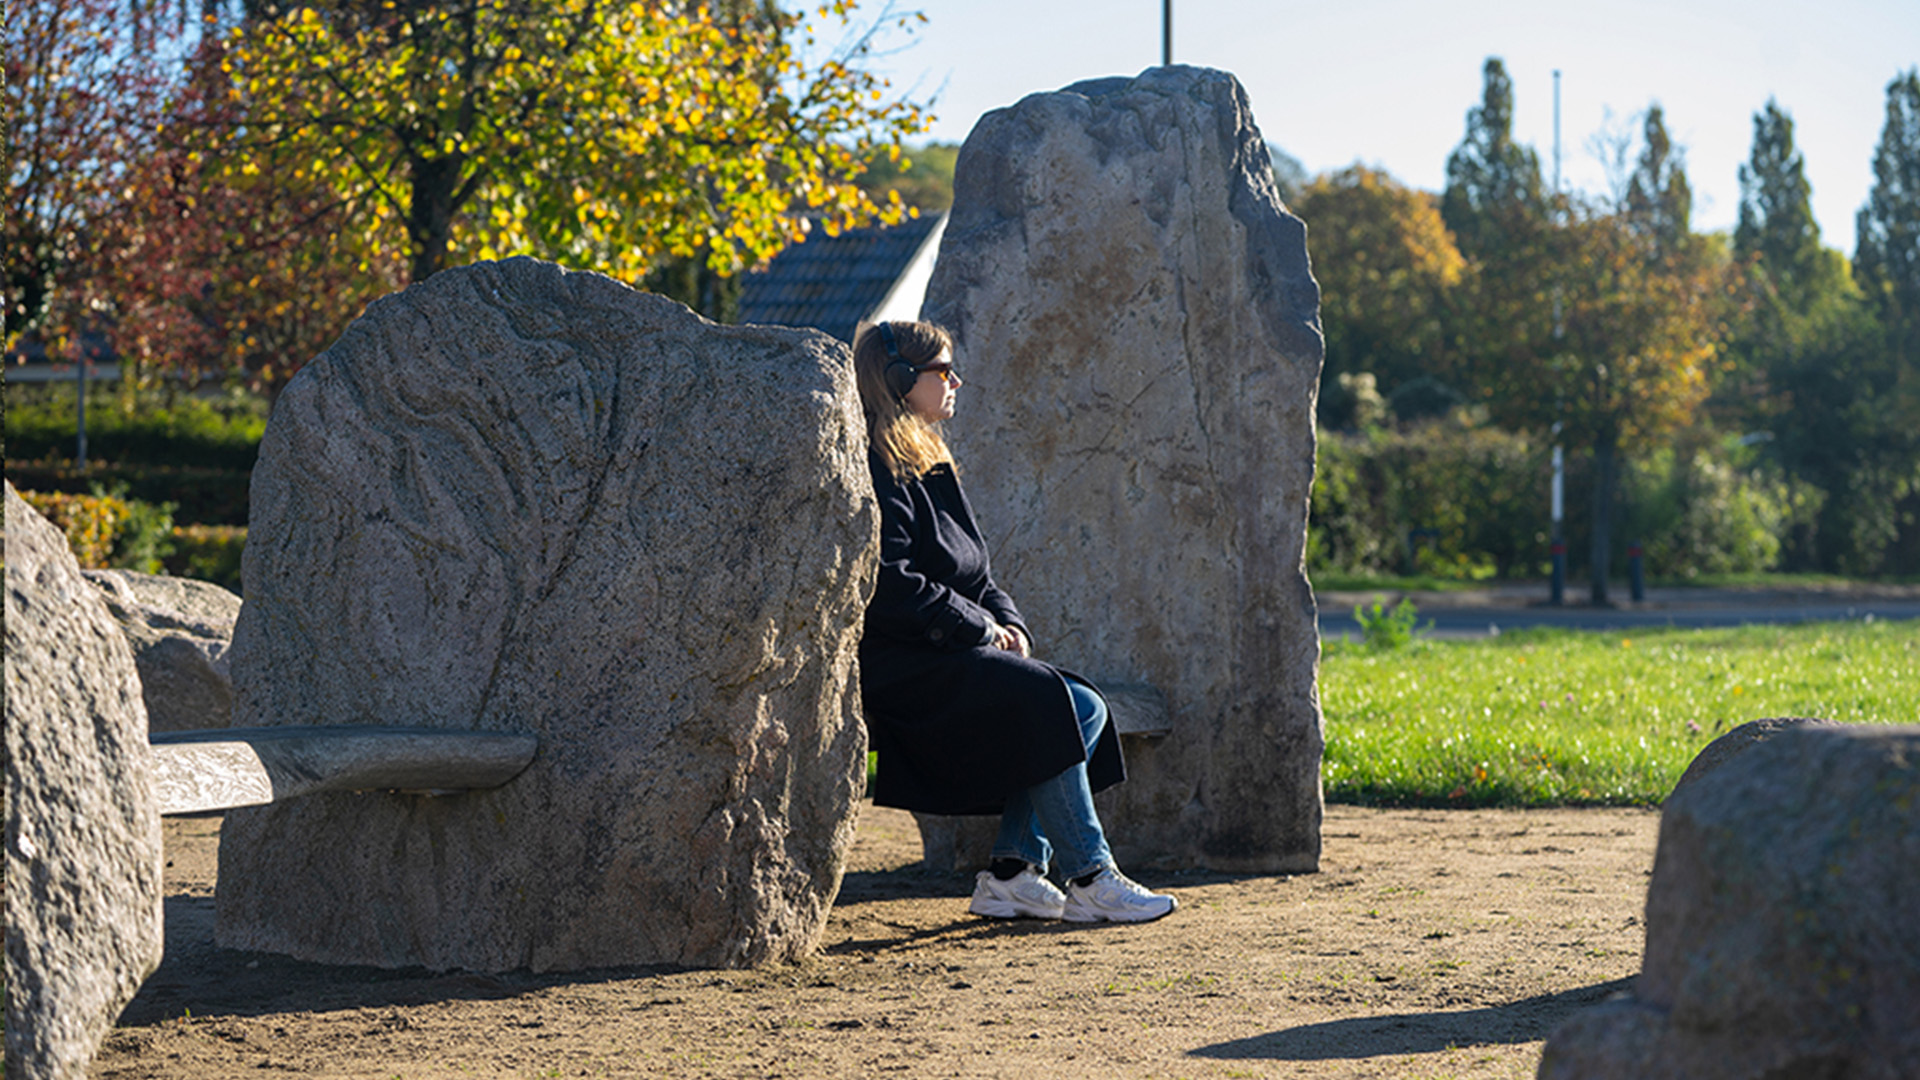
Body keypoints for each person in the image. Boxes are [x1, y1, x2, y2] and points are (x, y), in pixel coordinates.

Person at [853, 319, 1177, 924]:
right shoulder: (878, 466)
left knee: (1084, 703)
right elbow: (887, 582)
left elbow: (979, 575)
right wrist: (978, 630)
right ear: (899, 380)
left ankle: (1013, 872)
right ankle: (1090, 875)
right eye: (942, 371)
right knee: (1048, 702)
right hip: (906, 663)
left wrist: (1009, 624)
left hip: (949, 651)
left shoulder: (930, 463)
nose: (955, 381)